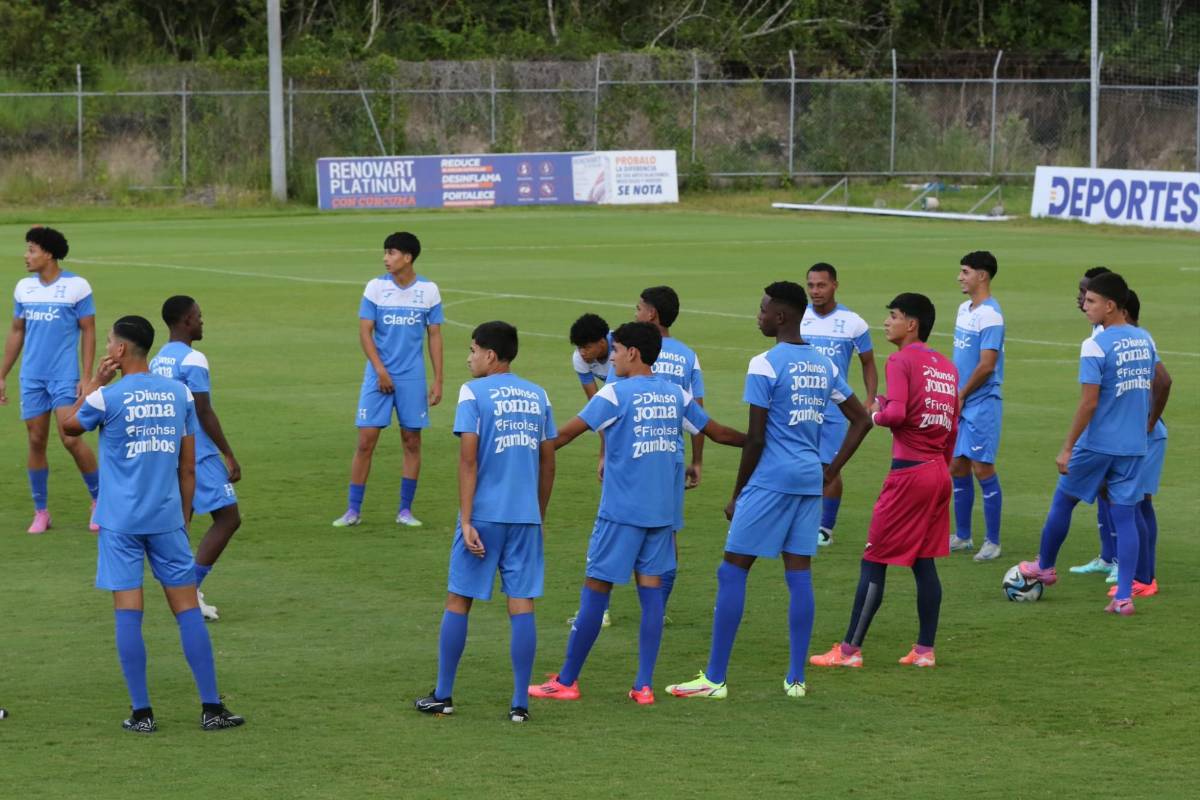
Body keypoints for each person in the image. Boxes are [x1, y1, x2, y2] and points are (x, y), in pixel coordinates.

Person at [665, 281, 871, 700]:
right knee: (799, 575)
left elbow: (756, 438)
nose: (757, 316)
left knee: (732, 570)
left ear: (780, 316)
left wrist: (737, 493)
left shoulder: (765, 364)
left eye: (762, 310)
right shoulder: (824, 365)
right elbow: (862, 420)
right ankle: (796, 679)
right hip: (808, 481)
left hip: (771, 480)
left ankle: (714, 679)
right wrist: (830, 471)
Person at [528, 322, 744, 705]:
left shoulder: (615, 394)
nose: (611, 358)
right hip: (660, 516)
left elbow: (562, 436)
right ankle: (643, 685)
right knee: (651, 597)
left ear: (632, 353)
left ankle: (567, 680)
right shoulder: (676, 394)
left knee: (596, 590)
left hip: (619, 515)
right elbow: (719, 433)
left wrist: (517, 453)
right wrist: (760, 439)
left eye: (616, 350)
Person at [63, 315, 244, 733]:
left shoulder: (107, 398)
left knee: (129, 615)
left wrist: (94, 384)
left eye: (109, 342)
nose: (107, 347)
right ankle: (211, 708)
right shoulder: (179, 394)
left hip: (120, 523)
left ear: (120, 350)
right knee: (187, 611)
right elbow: (187, 467)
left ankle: (142, 714)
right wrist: (183, 519)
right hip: (167, 519)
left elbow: (69, 429)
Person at [414, 322, 556, 723]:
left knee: (459, 599)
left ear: (491, 355)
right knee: (522, 604)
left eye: (473, 350)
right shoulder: (539, 395)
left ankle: (443, 694)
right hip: (525, 516)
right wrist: (538, 515)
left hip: (484, 516)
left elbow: (468, 460)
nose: (469, 358)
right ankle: (520, 704)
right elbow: (548, 463)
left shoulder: (472, 393)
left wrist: (465, 520)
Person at [809, 293, 958, 670]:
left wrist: (874, 413)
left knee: (874, 558)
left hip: (909, 474)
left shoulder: (900, 360)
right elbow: (952, 426)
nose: (887, 322)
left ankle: (849, 651)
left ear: (912, 324)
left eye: (893, 316)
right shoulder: (946, 367)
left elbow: (897, 415)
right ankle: (924, 650)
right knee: (923, 561)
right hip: (938, 472)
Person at [1018, 272, 1156, 616]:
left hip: (1098, 443)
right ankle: (1123, 596)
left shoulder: (1095, 344)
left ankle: (1044, 566)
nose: (1085, 306)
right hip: (1134, 445)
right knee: (1125, 516)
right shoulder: (1146, 340)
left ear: (1110, 305)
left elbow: (1089, 402)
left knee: (1064, 500)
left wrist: (1068, 447)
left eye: (1091, 301)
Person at [333, 232, 444, 528]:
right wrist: (380, 370)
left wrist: (438, 380)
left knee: (412, 441)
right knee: (365, 441)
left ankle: (405, 511)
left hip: (412, 377)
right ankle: (353, 510)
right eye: (385, 252)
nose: (385, 258)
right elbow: (364, 332)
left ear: (408, 257)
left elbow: (435, 336)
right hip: (377, 374)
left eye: (391, 253)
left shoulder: (429, 290)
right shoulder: (375, 287)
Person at [1, 226, 100, 534]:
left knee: (70, 437)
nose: (26, 256)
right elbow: (17, 332)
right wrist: (2, 375)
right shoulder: (24, 288)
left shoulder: (77, 286)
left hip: (64, 375)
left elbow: (89, 330)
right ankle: (41, 511)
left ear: (48, 254)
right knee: (35, 440)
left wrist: (86, 377)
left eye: (31, 250)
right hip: (32, 377)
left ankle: (100, 501)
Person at [150, 296, 242, 621]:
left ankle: (182, 588)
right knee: (228, 517)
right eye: (199, 316)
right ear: (186, 320)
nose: (202, 321)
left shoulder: (158, 359)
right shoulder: (193, 359)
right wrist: (228, 453)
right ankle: (190, 588)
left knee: (182, 521)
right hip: (198, 452)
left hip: (170, 451)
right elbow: (203, 410)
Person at [801, 263, 877, 546]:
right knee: (800, 463)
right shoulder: (799, 318)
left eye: (821, 285)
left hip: (834, 409)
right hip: (801, 406)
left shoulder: (853, 322)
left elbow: (868, 362)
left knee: (829, 466)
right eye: (811, 285)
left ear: (835, 285)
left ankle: (825, 529)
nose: (815, 291)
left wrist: (870, 398)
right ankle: (801, 520)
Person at [1103, 291, 1170, 599]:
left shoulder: (1139, 340)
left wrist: (1150, 422)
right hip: (1136, 435)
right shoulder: (1131, 339)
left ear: (1121, 311)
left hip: (1146, 436)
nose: (1084, 304)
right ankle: (1140, 575)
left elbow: (1164, 381)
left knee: (1138, 503)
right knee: (1137, 503)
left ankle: (1145, 578)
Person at [949, 251, 1006, 561]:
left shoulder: (991, 315)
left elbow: (987, 365)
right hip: (962, 398)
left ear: (982, 276)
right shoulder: (964, 309)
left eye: (965, 271)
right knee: (957, 465)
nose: (960, 277)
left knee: (982, 467)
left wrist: (961, 394)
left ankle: (992, 542)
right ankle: (962, 536)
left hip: (982, 401)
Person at [1068, 266, 1119, 577]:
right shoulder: (1097, 331)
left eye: (1087, 294)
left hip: (1114, 429)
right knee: (1102, 489)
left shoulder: (1111, 335)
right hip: (1101, 426)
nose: (1081, 299)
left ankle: (1121, 562)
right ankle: (1107, 556)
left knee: (1116, 493)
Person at [569, 313, 613, 401]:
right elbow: (594, 400)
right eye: (579, 347)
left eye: (587, 347)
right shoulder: (579, 358)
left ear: (602, 342)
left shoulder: (623, 348)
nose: (582, 353)